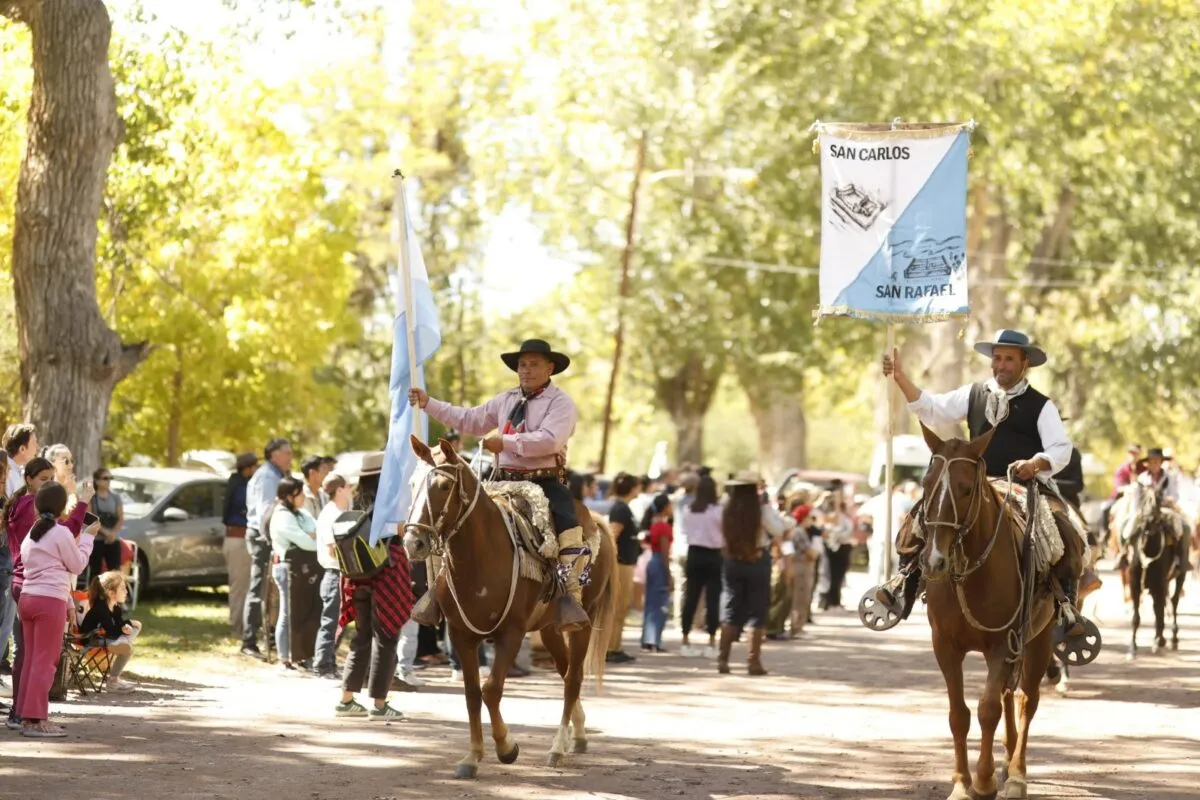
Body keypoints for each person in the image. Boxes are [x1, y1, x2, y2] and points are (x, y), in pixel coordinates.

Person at [879, 328, 1097, 643]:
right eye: (997, 358)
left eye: (1009, 359)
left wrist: (1035, 464)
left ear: (1025, 364)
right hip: (974, 484)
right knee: (920, 517)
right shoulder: (973, 394)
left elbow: (1060, 448)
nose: (1001, 365)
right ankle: (902, 583)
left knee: (1063, 530)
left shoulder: (1041, 406)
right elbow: (932, 408)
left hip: (1022, 485)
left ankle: (1066, 610)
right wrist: (900, 377)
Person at [408, 338, 590, 633]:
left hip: (544, 481)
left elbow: (550, 440)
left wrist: (505, 441)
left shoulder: (561, 403)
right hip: (500, 479)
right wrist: (429, 403)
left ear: (550, 368)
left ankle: (570, 598)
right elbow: (470, 419)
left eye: (533, 364)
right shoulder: (505, 399)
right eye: (522, 365)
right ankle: (437, 593)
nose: (526, 370)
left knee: (569, 527)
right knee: (452, 520)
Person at [17, 481, 98, 737]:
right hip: (48, 601)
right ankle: (37, 719)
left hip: (28, 598)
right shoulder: (60, 533)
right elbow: (77, 565)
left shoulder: (32, 533)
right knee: (45, 661)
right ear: (62, 507)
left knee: (32, 660)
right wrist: (87, 539)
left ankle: (26, 716)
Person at [335, 454, 409, 720]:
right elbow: (399, 533)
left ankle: (346, 700)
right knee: (387, 637)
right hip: (385, 580)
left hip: (358, 580)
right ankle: (379, 705)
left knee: (363, 637)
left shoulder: (358, 502)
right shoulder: (390, 504)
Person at [3, 457, 60, 730]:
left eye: (52, 479)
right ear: (28, 479)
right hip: (29, 583)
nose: (49, 484)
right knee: (29, 653)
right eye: (43, 479)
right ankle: (23, 712)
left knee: (25, 650)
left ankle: (20, 710)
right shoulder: (30, 507)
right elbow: (52, 538)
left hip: (22, 581)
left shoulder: (22, 503)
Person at [717, 471, 789, 676]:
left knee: (731, 607)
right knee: (757, 611)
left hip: (732, 560)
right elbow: (778, 530)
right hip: (757, 560)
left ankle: (723, 659)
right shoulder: (761, 510)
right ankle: (753, 661)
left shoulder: (726, 509)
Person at [241, 437, 292, 660]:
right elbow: (265, 514)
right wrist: (272, 542)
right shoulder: (267, 477)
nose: (291, 456)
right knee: (257, 589)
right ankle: (248, 642)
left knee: (269, 593)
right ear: (274, 454)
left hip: (269, 537)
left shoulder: (278, 475)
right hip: (263, 538)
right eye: (287, 452)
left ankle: (267, 637)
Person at [269, 477, 318, 670]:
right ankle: (284, 656)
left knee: (303, 612)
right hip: (286, 569)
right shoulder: (282, 516)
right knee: (288, 613)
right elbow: (305, 541)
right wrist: (310, 536)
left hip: (303, 568)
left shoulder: (302, 514)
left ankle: (301, 653)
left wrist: (312, 536)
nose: (303, 497)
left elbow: (318, 531)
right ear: (289, 496)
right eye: (300, 494)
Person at [679, 474, 723, 658]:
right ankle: (712, 641)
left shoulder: (689, 510)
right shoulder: (718, 511)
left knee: (691, 597)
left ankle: (685, 638)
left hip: (694, 553)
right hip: (713, 555)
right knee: (712, 599)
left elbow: (685, 531)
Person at [313, 472, 351, 679]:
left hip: (341, 574)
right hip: (334, 573)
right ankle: (322, 665)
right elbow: (332, 549)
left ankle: (329, 662)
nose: (350, 490)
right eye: (347, 487)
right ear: (339, 490)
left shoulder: (339, 511)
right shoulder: (330, 514)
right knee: (330, 622)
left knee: (338, 622)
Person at [81, 571, 142, 693]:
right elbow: (111, 631)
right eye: (123, 589)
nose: (126, 592)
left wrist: (126, 626)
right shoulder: (100, 609)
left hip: (106, 637)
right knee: (127, 649)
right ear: (111, 592)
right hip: (91, 641)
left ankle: (123, 642)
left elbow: (117, 625)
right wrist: (126, 625)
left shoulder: (116, 608)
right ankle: (113, 683)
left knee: (136, 625)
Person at [604, 472, 640, 664]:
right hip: (621, 564)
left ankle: (615, 646)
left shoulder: (625, 508)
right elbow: (612, 535)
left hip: (627, 563)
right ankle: (610, 648)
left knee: (622, 607)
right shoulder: (620, 509)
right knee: (617, 607)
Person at [222, 452, 257, 640]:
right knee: (240, 587)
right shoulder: (241, 487)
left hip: (239, 539)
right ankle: (238, 629)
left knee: (244, 586)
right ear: (248, 468)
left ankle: (243, 627)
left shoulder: (236, 483)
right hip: (239, 539)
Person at [640, 494, 674, 653]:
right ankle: (654, 640)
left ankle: (647, 638)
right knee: (659, 603)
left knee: (650, 602)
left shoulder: (654, 524)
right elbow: (665, 552)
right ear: (665, 507)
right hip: (659, 562)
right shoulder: (664, 526)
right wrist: (669, 575)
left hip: (652, 562)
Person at [87, 467, 125, 579]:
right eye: (105, 478)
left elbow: (121, 517)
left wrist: (113, 534)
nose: (108, 481)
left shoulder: (115, 497)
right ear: (97, 480)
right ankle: (96, 595)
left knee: (115, 572)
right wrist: (105, 533)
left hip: (113, 540)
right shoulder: (92, 498)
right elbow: (90, 518)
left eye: (110, 478)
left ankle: (115, 595)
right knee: (96, 572)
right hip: (97, 540)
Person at [3, 424, 39, 498]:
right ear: (22, 449)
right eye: (34, 443)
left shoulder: (20, 471)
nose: (38, 448)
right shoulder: (5, 472)